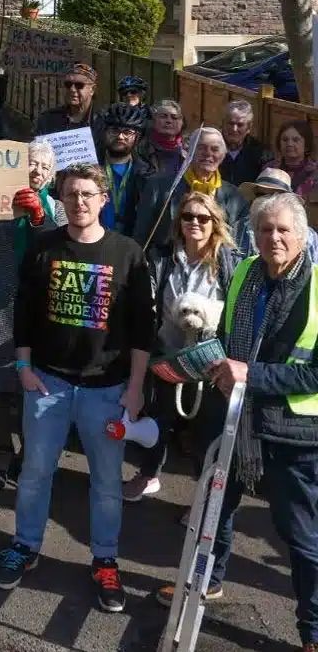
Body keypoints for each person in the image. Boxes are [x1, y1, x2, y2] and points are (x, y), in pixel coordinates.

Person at [158, 192, 318, 651]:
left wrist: (252, 373)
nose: (274, 239)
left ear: (302, 235)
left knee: (302, 538)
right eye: (265, 230)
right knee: (214, 508)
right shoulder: (246, 270)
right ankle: (208, 582)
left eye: (283, 230)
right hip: (232, 415)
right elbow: (229, 338)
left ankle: (312, 631)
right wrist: (203, 361)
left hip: (292, 431)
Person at [0, 163, 153, 613]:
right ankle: (25, 546)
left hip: (107, 388)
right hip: (48, 382)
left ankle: (105, 560)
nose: (79, 202)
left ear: (103, 199)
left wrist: (136, 387)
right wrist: (23, 367)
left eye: (87, 194)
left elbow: (143, 327)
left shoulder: (128, 253)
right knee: (35, 473)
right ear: (60, 199)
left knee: (106, 482)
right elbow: (23, 312)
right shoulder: (43, 247)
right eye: (71, 194)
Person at [123, 192, 238, 503]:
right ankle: (148, 475)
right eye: (188, 216)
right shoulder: (163, 257)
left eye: (203, 217)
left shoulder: (228, 261)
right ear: (179, 223)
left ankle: (204, 500)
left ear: (215, 222)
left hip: (212, 360)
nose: (195, 223)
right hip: (168, 354)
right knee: (158, 419)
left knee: (206, 431)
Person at [0, 142, 66, 490]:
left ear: (52, 175)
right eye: (31, 163)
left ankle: (31, 457)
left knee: (39, 389)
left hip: (41, 312)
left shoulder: (58, 209)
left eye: (44, 167)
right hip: (0, 306)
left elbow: (62, 248)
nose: (37, 171)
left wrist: (40, 218)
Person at [133, 127, 248, 256]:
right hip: (167, 263)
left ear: (223, 156)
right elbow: (141, 235)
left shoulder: (234, 197)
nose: (208, 153)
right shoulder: (159, 187)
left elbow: (238, 244)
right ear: (189, 152)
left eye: (215, 149)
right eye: (201, 148)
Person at [236, 168, 318, 259]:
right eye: (261, 195)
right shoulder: (238, 228)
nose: (265, 201)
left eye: (274, 195)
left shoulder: (307, 235)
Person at [98, 103, 153, 235]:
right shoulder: (90, 168)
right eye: (114, 130)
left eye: (127, 132)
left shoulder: (147, 174)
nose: (120, 136)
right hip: (95, 240)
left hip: (132, 242)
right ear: (104, 132)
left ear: (137, 137)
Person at [33, 63, 105, 158]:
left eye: (79, 85)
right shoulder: (47, 120)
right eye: (68, 84)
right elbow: (36, 152)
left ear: (92, 89)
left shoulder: (103, 122)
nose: (72, 89)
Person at [220, 100, 271, 188]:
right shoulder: (211, 147)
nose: (234, 129)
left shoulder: (260, 153)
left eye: (240, 125)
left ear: (249, 128)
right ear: (223, 123)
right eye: (231, 123)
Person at [135, 100, 187, 176]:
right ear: (153, 121)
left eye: (174, 117)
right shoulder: (140, 149)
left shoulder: (191, 150)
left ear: (182, 123)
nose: (169, 121)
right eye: (163, 116)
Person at [270, 119, 318, 198]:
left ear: (307, 145)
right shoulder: (270, 169)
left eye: (296, 140)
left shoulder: (315, 172)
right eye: (285, 140)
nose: (289, 144)